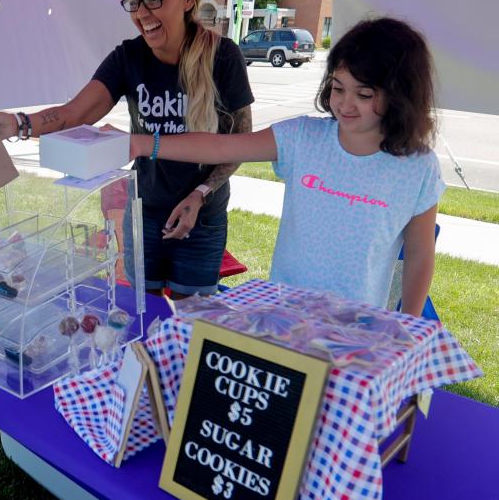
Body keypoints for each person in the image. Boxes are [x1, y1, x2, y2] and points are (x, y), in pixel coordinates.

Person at [0, 0, 254, 297]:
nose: (142, 13)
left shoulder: (222, 56)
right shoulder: (128, 56)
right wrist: (17, 123)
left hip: (203, 216)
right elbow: (75, 113)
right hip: (145, 212)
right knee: (140, 310)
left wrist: (200, 194)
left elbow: (241, 141)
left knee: (191, 318)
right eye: (133, 2)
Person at [129, 17, 444, 315]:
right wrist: (145, 144)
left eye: (364, 94)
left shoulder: (418, 167)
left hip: (358, 325)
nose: (346, 104)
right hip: (284, 317)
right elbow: (219, 146)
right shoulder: (303, 137)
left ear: (400, 94)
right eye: (338, 88)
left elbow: (419, 252)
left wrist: (410, 323)